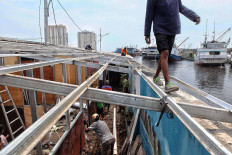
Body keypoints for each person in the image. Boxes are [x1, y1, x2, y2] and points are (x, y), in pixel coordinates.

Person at [144, 0, 200, 93]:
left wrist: (194, 16)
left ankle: (156, 76)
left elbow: (181, 8)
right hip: (160, 28)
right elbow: (149, 14)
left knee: (165, 55)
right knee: (165, 52)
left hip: (173, 28)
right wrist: (147, 33)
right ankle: (167, 83)